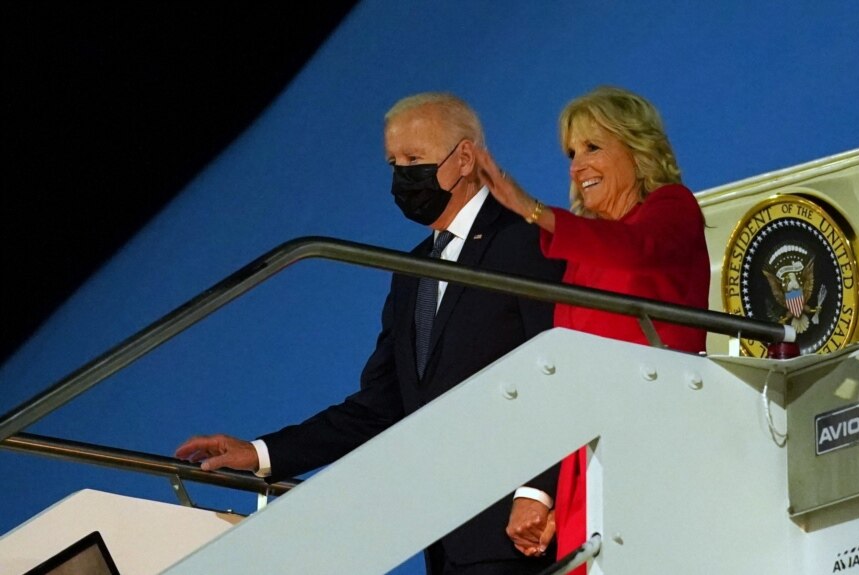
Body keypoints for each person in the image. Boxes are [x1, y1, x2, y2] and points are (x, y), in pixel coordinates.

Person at [175, 92, 565, 575]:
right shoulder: (411, 270)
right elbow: (382, 403)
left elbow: (563, 368)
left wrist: (538, 490)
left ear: (464, 157)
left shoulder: (529, 240)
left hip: (525, 530)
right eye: (393, 162)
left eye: (414, 159)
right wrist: (259, 453)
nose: (402, 176)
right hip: (449, 540)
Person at [476, 86, 710, 569]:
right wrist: (548, 497)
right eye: (570, 153)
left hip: (655, 441)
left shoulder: (672, 207)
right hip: (589, 461)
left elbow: (636, 251)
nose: (576, 166)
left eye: (593, 147)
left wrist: (533, 211)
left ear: (638, 149)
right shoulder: (578, 261)